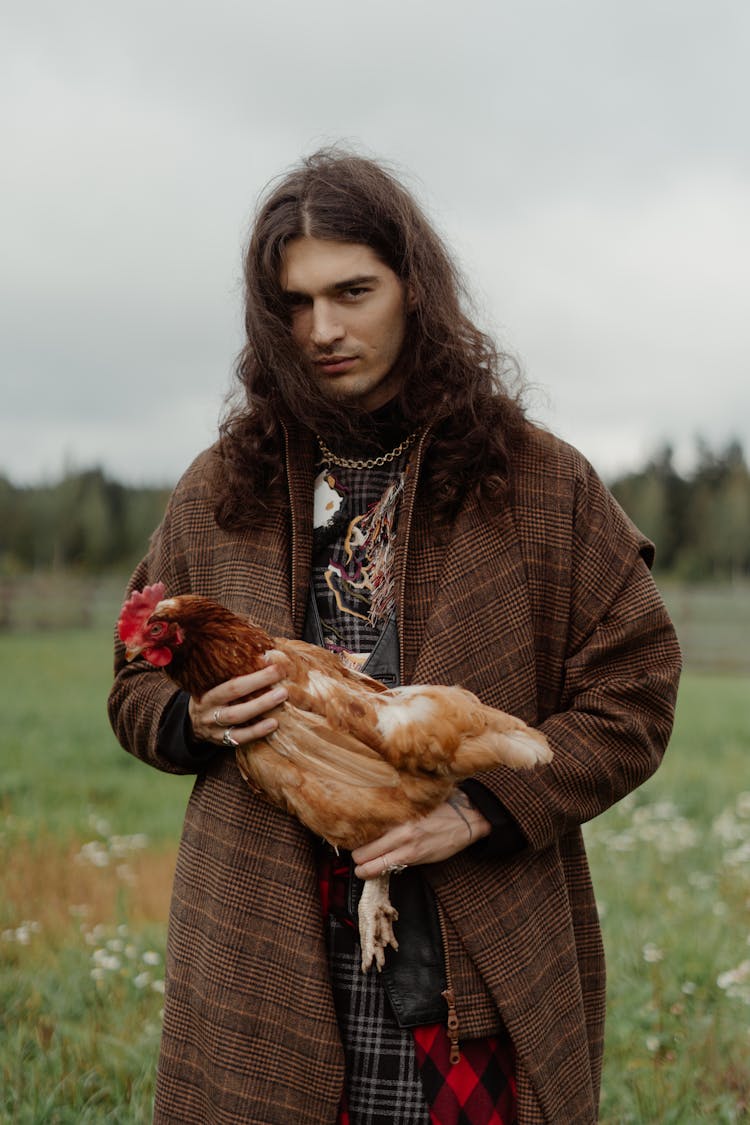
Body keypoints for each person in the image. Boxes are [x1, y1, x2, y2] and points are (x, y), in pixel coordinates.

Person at [108, 149, 681, 1125]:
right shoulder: (219, 490)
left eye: (352, 291)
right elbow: (131, 684)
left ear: (415, 289)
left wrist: (484, 809)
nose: (323, 328)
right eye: (294, 302)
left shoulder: (537, 485)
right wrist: (191, 716)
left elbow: (634, 695)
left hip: (471, 947)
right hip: (265, 949)